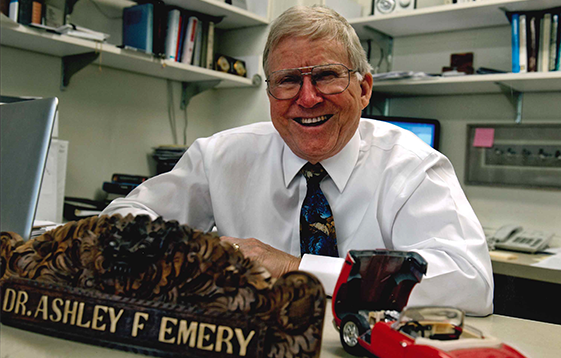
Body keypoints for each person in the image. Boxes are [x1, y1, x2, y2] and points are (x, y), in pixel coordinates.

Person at [102, 5, 493, 315]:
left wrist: (297, 269)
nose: (307, 99)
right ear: (271, 93)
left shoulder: (413, 167)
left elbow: (470, 282)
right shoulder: (219, 156)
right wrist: (189, 256)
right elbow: (120, 220)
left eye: (326, 75)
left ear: (364, 88)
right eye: (288, 80)